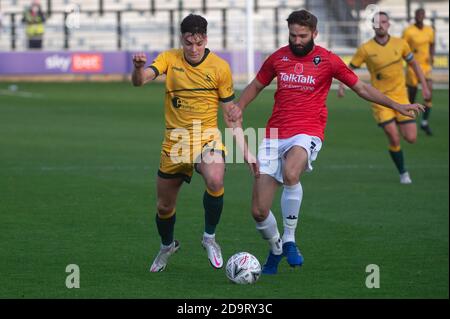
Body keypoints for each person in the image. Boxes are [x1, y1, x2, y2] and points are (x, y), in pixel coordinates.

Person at [237, 10, 424, 275]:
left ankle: (290, 238)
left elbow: (361, 88)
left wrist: (397, 105)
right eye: (293, 35)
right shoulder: (277, 57)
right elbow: (256, 85)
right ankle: (276, 247)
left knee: (292, 172)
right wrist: (239, 106)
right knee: (258, 210)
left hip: (308, 131)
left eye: (302, 36)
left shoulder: (328, 60)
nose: (297, 40)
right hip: (274, 135)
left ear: (315, 33)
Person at [132, 14, 256, 272]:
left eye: (199, 43)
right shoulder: (169, 58)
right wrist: (137, 68)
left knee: (215, 178)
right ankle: (167, 246)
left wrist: (246, 151)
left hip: (206, 137)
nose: (194, 49)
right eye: (189, 43)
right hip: (175, 143)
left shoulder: (219, 68)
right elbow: (140, 80)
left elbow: (231, 115)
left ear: (206, 40)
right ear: (182, 40)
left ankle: (209, 238)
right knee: (164, 206)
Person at [339, 11, 430, 184]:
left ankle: (400, 127)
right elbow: (348, 69)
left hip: (401, 97)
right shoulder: (365, 49)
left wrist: (424, 86)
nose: (381, 24)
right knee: (394, 137)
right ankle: (403, 173)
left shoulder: (401, 44)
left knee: (411, 138)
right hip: (379, 100)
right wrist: (342, 86)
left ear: (389, 24)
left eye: (384, 21)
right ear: (373, 25)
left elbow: (414, 65)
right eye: (377, 22)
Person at [402, 8, 435, 135]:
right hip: (412, 67)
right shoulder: (408, 31)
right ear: (415, 16)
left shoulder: (429, 30)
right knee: (412, 96)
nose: (420, 16)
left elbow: (432, 44)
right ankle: (406, 121)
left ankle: (424, 122)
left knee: (428, 93)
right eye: (418, 14)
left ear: (424, 15)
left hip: (426, 67)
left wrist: (432, 56)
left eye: (422, 14)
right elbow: (402, 46)